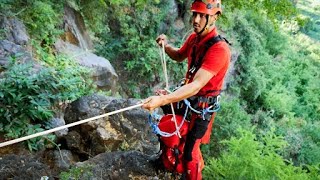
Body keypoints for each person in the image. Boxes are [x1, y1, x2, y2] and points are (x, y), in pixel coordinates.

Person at [142, 0, 231, 179]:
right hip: (189, 101)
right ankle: (167, 162)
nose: (196, 20)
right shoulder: (194, 39)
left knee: (190, 152)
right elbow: (179, 55)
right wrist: (165, 46)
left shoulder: (219, 50)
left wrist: (164, 100)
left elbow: (197, 85)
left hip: (202, 108)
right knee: (168, 129)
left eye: (203, 16)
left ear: (215, 16)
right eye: (194, 14)